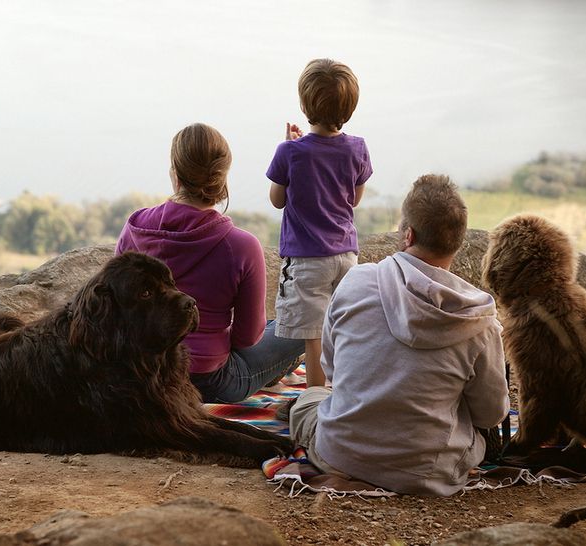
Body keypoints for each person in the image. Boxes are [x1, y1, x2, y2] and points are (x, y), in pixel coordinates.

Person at [287, 174, 510, 496]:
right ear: (458, 243)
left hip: (340, 457)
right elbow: (491, 414)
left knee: (310, 398)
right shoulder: (480, 321)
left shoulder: (356, 281)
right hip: (431, 473)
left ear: (408, 234)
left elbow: (334, 371)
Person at [116, 123, 304, 404]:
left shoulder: (135, 227)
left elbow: (116, 311)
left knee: (277, 327)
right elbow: (246, 339)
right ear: (222, 178)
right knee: (302, 326)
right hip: (212, 382)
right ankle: (276, 369)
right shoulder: (241, 245)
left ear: (175, 174)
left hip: (143, 376)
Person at [266, 58, 373, 388]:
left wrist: (292, 147)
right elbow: (353, 199)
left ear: (304, 103)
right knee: (341, 330)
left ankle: (315, 403)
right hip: (346, 256)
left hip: (308, 260)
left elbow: (277, 199)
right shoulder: (358, 148)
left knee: (313, 337)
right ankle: (345, 394)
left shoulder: (290, 152)